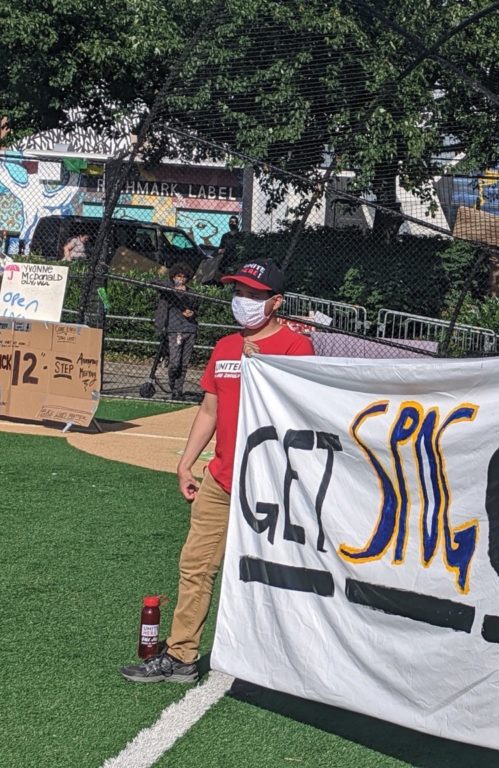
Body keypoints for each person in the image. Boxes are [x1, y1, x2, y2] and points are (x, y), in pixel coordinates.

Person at [121, 258, 314, 683]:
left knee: (271, 573)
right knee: (195, 565)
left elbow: (303, 411)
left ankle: (288, 663)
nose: (242, 301)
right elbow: (210, 408)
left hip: (271, 486)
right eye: (238, 292)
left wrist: (263, 365)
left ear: (275, 302)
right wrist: (187, 461)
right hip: (222, 477)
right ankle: (181, 655)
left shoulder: (295, 347)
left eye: (253, 294)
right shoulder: (226, 346)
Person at [154, 262, 200, 400]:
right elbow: (153, 282)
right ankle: (173, 385)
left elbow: (196, 308)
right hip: (174, 330)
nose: (181, 279)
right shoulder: (168, 291)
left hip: (190, 329)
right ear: (173, 277)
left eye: (184, 277)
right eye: (178, 276)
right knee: (175, 363)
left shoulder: (191, 293)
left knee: (184, 364)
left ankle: (177, 391)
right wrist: (173, 287)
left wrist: (192, 313)